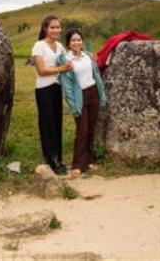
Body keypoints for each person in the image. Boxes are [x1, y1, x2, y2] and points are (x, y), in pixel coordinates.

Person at [57, 29, 107, 179]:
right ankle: (77, 164)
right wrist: (73, 105)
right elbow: (67, 86)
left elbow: (96, 75)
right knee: (82, 130)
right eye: (73, 40)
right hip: (80, 96)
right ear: (68, 44)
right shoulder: (66, 60)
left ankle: (89, 161)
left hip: (93, 93)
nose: (77, 42)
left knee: (91, 129)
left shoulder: (88, 56)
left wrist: (100, 94)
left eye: (79, 39)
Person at [32, 15, 73, 175]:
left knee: (57, 124)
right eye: (52, 27)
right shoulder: (39, 46)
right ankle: (51, 161)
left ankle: (59, 159)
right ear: (45, 29)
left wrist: (87, 55)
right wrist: (62, 68)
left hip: (56, 88)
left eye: (58, 27)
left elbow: (69, 60)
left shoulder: (60, 46)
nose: (56, 30)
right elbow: (42, 71)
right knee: (47, 125)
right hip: (44, 89)